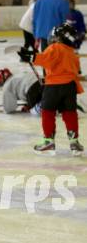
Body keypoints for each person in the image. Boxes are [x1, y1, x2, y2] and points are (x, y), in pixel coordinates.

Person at [18, 22, 84, 156]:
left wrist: (30, 56)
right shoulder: (73, 53)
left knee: (47, 112)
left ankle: (48, 141)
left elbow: (45, 59)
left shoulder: (56, 47)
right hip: (70, 87)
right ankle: (74, 142)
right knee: (70, 113)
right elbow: (77, 70)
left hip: (53, 86)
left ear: (59, 38)